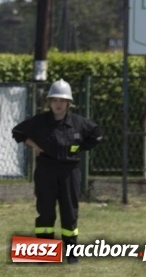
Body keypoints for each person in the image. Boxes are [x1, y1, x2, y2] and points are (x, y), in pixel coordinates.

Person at [11, 79, 103, 264]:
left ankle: (71, 253)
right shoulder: (40, 121)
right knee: (45, 212)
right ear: (50, 102)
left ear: (69, 103)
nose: (58, 104)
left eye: (62, 101)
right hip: (46, 170)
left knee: (69, 212)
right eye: (54, 100)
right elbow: (18, 132)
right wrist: (35, 146)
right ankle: (45, 254)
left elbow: (98, 134)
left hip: (70, 172)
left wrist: (80, 148)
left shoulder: (78, 122)